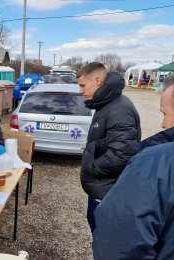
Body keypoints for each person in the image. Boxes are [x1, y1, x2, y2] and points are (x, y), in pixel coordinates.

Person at [93, 75, 174, 259]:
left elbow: (119, 244)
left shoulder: (157, 161)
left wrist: (93, 169)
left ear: (97, 81)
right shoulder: (102, 106)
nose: (163, 124)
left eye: (165, 114)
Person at [77, 62, 141, 233]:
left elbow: (121, 154)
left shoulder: (118, 108)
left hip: (107, 193)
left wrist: (91, 169)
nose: (80, 91)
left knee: (104, 241)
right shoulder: (106, 104)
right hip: (103, 190)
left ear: (97, 80)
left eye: (83, 85)